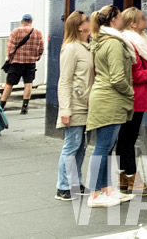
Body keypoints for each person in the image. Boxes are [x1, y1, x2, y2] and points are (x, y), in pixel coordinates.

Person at [86, 5, 135, 208]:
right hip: (110, 99)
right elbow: (117, 78)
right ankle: (95, 193)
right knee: (103, 147)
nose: (123, 18)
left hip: (104, 97)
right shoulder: (114, 44)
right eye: (120, 15)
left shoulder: (101, 40)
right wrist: (130, 92)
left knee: (106, 147)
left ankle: (105, 189)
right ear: (113, 19)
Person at [116, 7, 147, 196]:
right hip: (133, 98)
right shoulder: (130, 44)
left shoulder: (142, 41)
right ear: (133, 24)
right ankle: (133, 180)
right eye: (142, 18)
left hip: (137, 97)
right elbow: (134, 75)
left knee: (125, 138)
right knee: (129, 138)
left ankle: (124, 178)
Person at [56, 11, 93, 202]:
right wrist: (65, 109)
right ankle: (63, 187)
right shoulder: (71, 48)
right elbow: (64, 80)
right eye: (86, 20)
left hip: (88, 104)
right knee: (71, 144)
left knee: (81, 146)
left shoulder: (88, 46)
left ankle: (75, 182)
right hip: (75, 104)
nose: (90, 21)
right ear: (79, 26)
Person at [0, 14, 44, 115]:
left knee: (9, 83)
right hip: (30, 62)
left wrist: (9, 57)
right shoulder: (37, 32)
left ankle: (2, 105)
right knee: (28, 83)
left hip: (17, 62)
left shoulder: (16, 31)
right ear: (31, 21)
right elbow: (41, 48)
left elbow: (10, 47)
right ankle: (25, 107)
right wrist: (36, 57)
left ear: (22, 21)